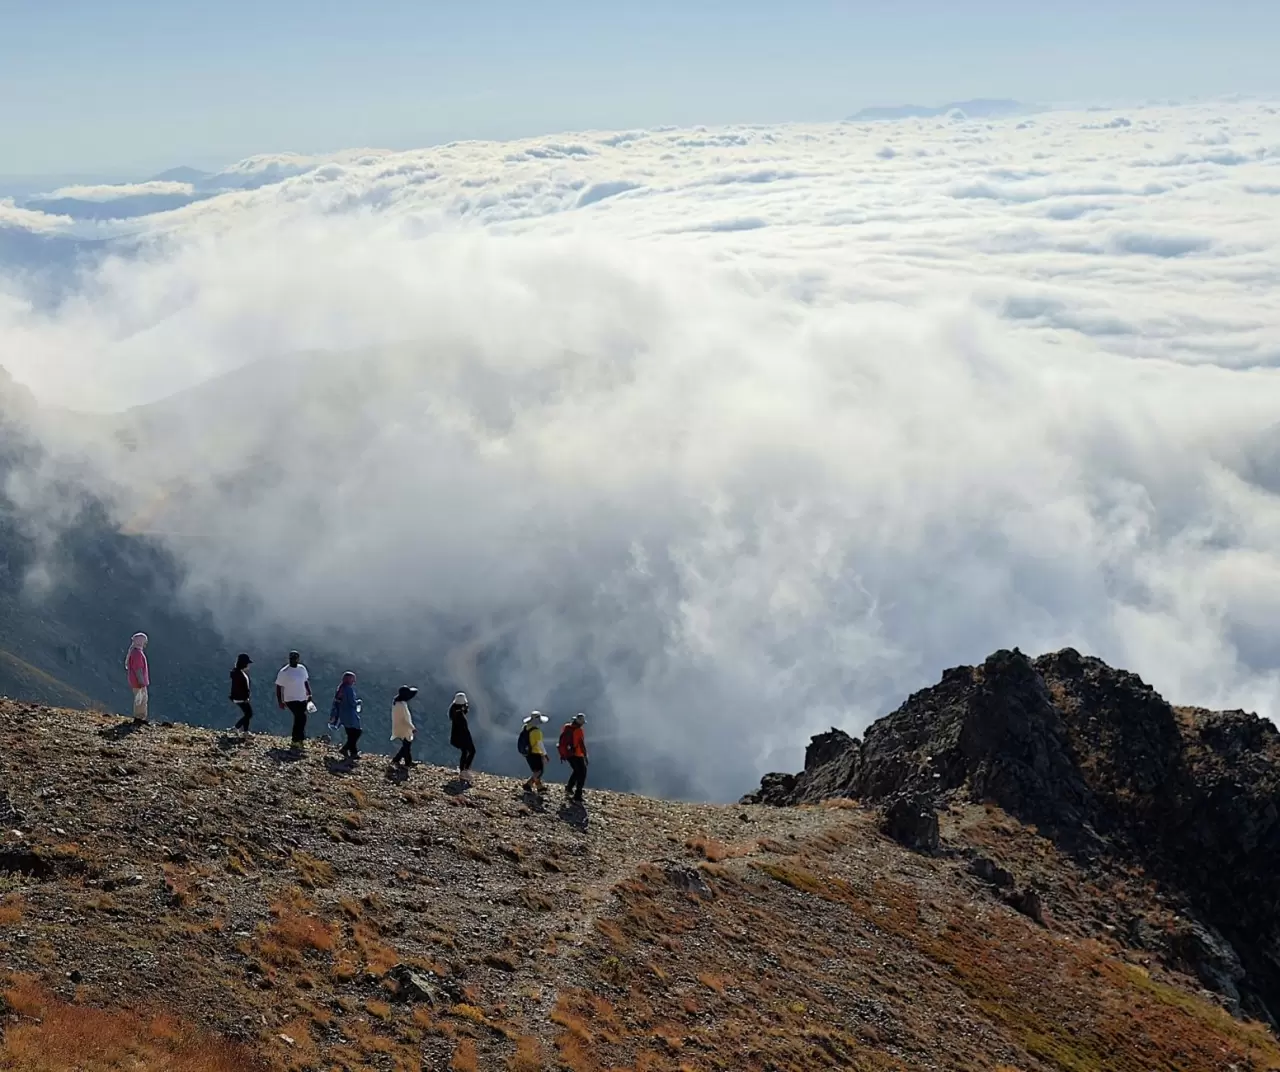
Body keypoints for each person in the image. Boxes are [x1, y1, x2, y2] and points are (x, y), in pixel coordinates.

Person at [275, 651, 312, 749]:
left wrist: (309, 693)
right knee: (300, 716)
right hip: (290, 699)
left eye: (295, 658)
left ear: (298, 659)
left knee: (301, 719)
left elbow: (305, 681)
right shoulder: (284, 672)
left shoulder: (302, 669)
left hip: (302, 697)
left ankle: (299, 739)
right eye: (292, 658)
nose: (293, 660)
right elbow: (279, 687)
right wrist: (280, 701)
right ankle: (295, 740)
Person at [330, 671, 362, 760]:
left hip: (342, 714)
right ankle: (346, 749)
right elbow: (352, 703)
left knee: (351, 734)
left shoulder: (341, 688)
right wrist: (358, 702)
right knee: (356, 732)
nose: (354, 681)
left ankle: (353, 752)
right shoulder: (348, 689)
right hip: (349, 714)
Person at [558, 713, 589, 802]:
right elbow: (581, 744)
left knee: (576, 771)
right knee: (582, 773)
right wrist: (585, 756)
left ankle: (569, 788)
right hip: (577, 754)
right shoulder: (579, 731)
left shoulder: (566, 727)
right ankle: (577, 794)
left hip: (568, 754)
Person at [449, 692, 476, 782]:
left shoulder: (454, 711)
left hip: (456, 736)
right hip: (464, 736)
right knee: (472, 751)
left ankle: (462, 770)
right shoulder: (459, 714)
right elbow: (464, 726)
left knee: (464, 752)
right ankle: (465, 770)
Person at [520, 711, 549, 792]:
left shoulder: (526, 727)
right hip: (535, 753)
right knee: (539, 771)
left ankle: (539, 787)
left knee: (535, 770)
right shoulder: (537, 732)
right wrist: (545, 755)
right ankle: (528, 784)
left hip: (527, 752)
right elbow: (540, 744)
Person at [125, 633, 150, 725]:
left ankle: (139, 717)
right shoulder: (137, 653)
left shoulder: (134, 652)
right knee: (142, 699)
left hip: (135, 681)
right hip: (138, 682)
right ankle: (140, 718)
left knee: (140, 699)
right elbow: (138, 669)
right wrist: (141, 681)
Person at [390, 685, 418, 768]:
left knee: (406, 745)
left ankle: (398, 759)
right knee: (407, 745)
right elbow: (405, 719)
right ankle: (406, 762)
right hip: (404, 728)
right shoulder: (401, 705)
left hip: (400, 726)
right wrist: (412, 728)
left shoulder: (397, 703)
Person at [229, 653, 253, 732]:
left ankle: (245, 731)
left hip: (238, 697)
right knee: (249, 714)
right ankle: (236, 727)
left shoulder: (237, 673)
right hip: (241, 698)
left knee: (247, 714)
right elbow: (241, 688)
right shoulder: (239, 674)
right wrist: (246, 697)